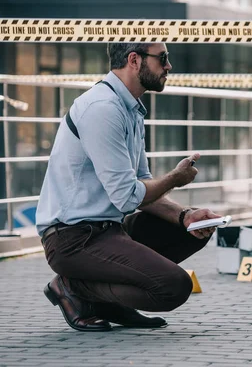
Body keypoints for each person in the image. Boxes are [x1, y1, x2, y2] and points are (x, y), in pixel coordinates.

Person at [36, 43, 221, 332]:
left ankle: (108, 301)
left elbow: (142, 191)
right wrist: (174, 178)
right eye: (163, 59)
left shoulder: (130, 108)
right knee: (173, 286)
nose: (168, 66)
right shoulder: (102, 109)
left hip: (108, 231)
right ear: (134, 60)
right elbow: (126, 198)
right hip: (72, 240)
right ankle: (72, 286)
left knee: (192, 232)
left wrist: (186, 216)